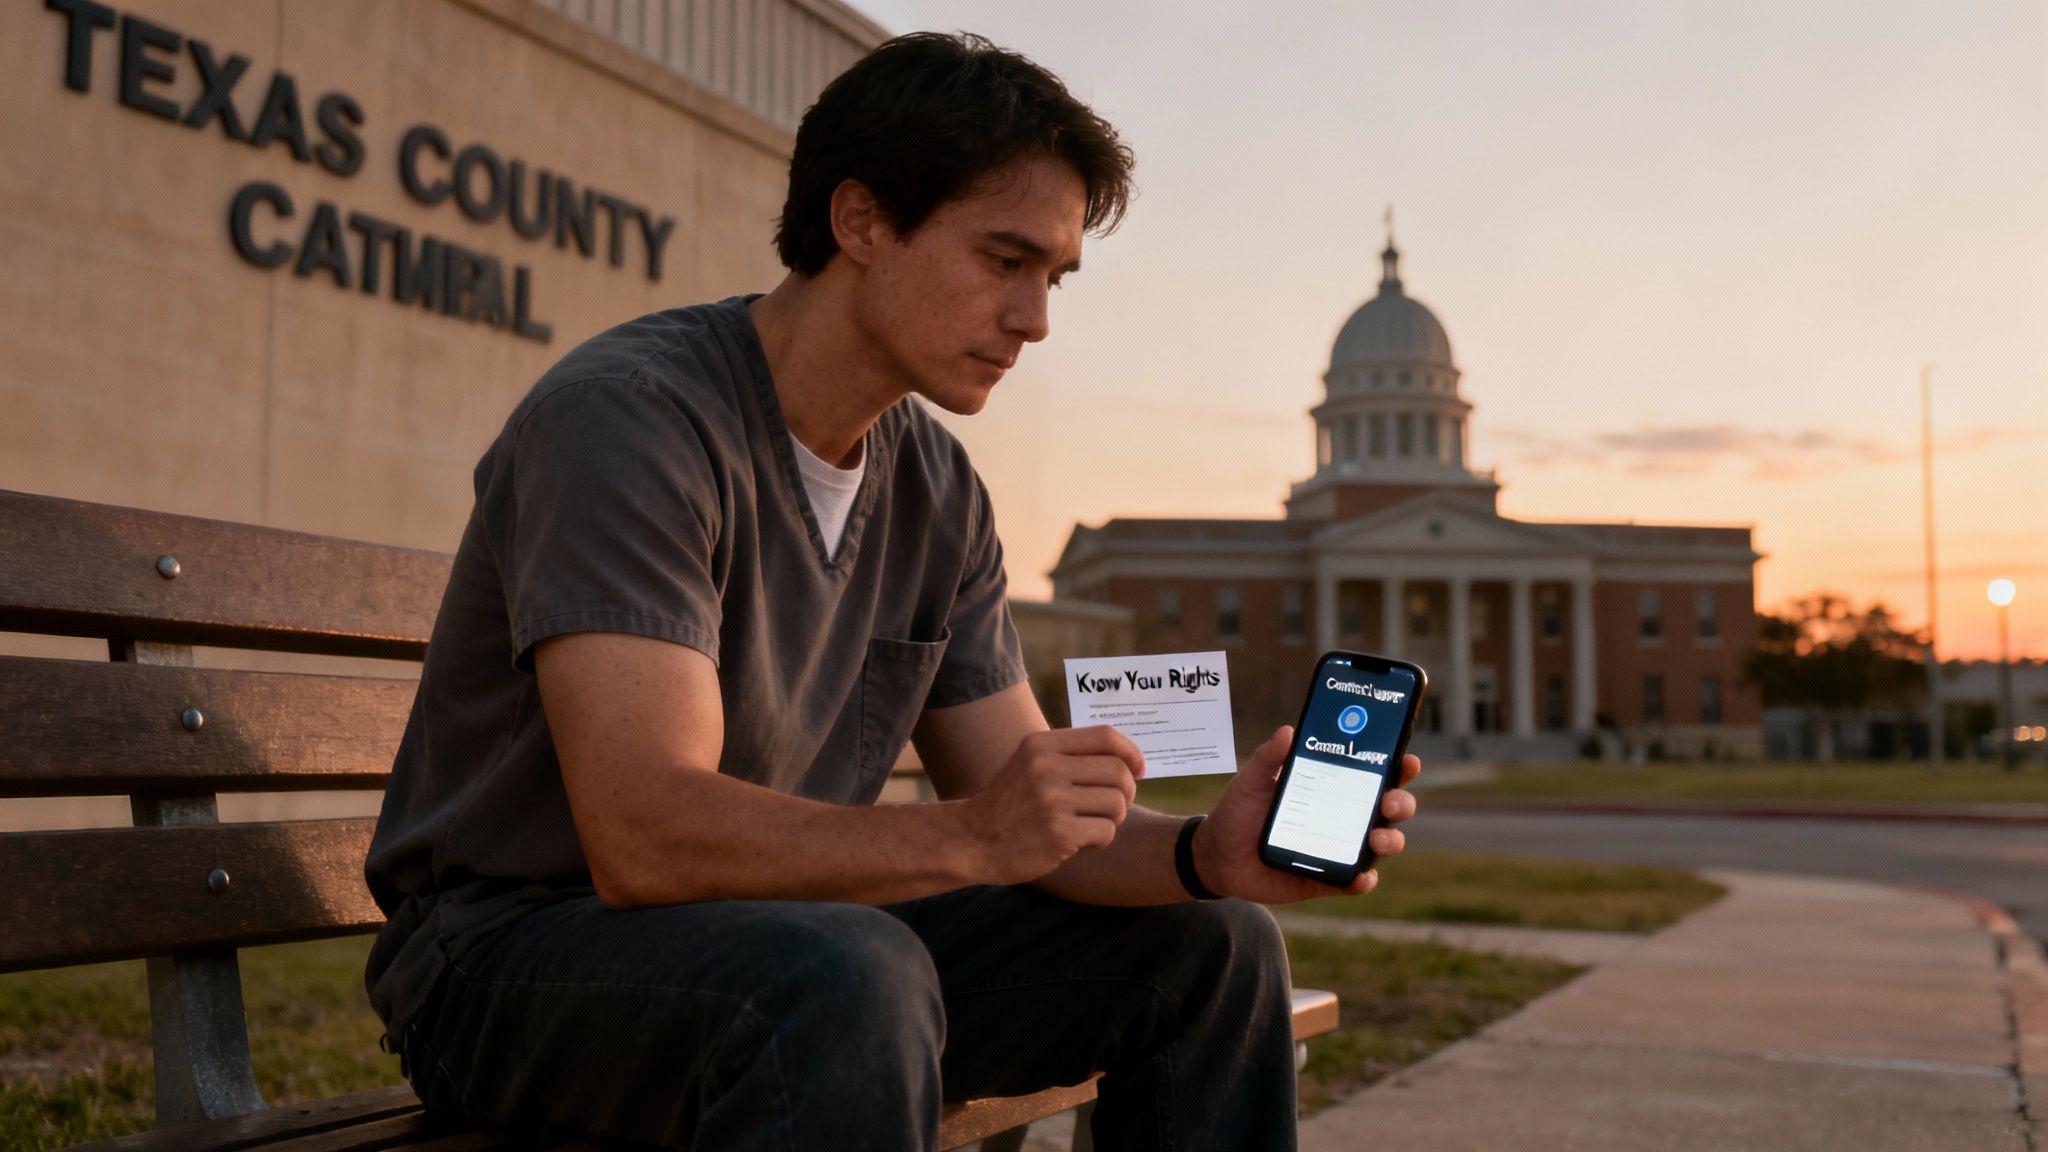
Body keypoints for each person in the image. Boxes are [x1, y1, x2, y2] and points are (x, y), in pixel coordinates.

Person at [363, 30, 1422, 1152]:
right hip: (514, 960)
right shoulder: (630, 420)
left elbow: (1029, 816)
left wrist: (1202, 852)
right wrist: (970, 838)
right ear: (861, 221)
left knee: (1214, 946)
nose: (1036, 319)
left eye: (1052, 277)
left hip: (794, 948)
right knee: (846, 971)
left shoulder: (936, 488)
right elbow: (645, 837)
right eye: (1001, 260)